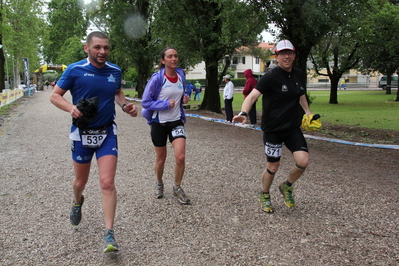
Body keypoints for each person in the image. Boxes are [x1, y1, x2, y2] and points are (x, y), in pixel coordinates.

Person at [49, 31, 138, 253]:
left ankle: (109, 234)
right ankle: (77, 201)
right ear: (86, 48)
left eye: (106, 48)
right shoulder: (75, 70)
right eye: (97, 47)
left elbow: (117, 92)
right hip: (82, 133)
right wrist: (71, 108)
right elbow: (55, 95)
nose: (102, 52)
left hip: (107, 132)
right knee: (80, 181)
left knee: (107, 183)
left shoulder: (115, 70)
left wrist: (125, 105)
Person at [232, 40, 317, 213]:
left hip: (292, 128)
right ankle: (264, 194)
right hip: (273, 129)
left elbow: (300, 94)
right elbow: (251, 97)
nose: (287, 56)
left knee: (303, 161)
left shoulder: (299, 74)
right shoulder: (270, 76)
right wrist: (243, 113)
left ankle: (286, 186)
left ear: (294, 55)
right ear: (276, 57)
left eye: (290, 53)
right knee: (273, 166)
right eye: (283, 53)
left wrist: (308, 112)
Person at [141, 47, 191, 204]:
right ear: (163, 61)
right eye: (170, 56)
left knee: (180, 157)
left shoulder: (181, 74)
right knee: (161, 159)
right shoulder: (157, 79)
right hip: (159, 123)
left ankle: (177, 188)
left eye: (176, 56)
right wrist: (164, 104)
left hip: (176, 121)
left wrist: (184, 98)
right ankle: (159, 183)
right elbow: (145, 102)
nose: (174, 59)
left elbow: (180, 93)